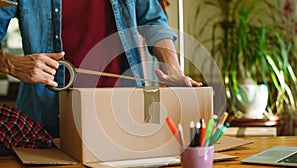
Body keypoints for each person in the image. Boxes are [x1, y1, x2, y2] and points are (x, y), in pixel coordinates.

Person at [0, 0, 201, 138]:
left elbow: (154, 22)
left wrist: (173, 69)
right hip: (48, 123)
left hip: (124, 116)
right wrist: (11, 63)